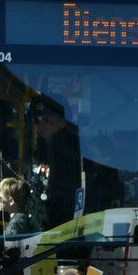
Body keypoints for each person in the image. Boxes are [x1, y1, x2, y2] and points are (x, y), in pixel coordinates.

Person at [29, 95, 81, 225]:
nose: (40, 125)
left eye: (45, 119)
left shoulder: (74, 149)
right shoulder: (40, 150)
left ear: (63, 121)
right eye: (36, 120)